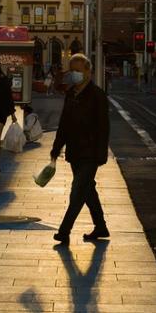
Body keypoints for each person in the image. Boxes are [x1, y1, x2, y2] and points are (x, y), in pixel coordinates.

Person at [51, 53, 110, 246]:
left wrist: (101, 154)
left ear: (88, 71)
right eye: (72, 70)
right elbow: (64, 124)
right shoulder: (71, 94)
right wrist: (56, 147)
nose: (74, 74)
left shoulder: (97, 95)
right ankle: (100, 226)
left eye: (78, 70)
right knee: (87, 189)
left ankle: (64, 231)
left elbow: (104, 127)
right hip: (75, 151)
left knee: (77, 191)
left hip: (91, 152)